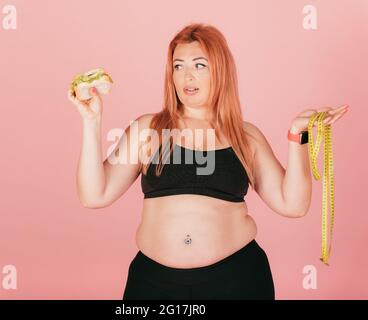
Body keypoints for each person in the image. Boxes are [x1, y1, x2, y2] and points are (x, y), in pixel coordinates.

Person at [67, 23, 348, 300]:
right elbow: (94, 195)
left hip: (237, 282)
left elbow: (293, 204)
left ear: (220, 71)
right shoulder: (147, 130)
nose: (187, 76)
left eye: (199, 65)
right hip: (154, 285)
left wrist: (298, 136)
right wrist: (91, 122)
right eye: (178, 66)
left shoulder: (245, 136)